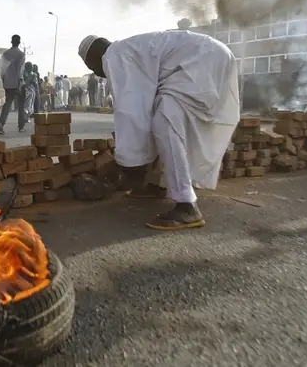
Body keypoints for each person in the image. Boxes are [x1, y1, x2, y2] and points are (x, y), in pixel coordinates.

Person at [77, 30, 240, 230]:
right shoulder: (131, 50)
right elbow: (144, 107)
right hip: (212, 55)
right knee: (160, 114)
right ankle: (158, 184)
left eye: (92, 67)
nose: (96, 73)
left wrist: (129, 165)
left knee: (165, 123)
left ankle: (187, 206)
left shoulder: (114, 55)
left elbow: (130, 110)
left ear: (93, 59)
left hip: (201, 60)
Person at [0, 34, 26, 135]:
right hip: (18, 82)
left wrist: (4, 80)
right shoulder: (21, 54)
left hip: (8, 83)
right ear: (19, 42)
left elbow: (2, 70)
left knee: (8, 103)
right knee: (21, 104)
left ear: (11, 42)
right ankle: (21, 126)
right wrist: (19, 82)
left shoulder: (5, 54)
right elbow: (20, 70)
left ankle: (1, 123)